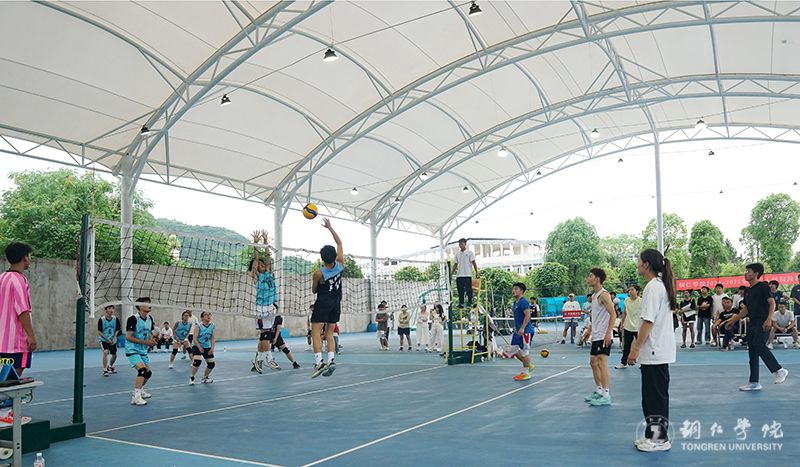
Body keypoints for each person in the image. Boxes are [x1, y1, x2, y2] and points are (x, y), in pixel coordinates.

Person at [627, 249, 678, 452]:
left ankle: (660, 439)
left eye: (639, 261)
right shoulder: (659, 286)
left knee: (655, 398)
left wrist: (635, 348)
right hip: (656, 352)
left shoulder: (652, 288)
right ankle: (652, 435)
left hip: (655, 351)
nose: (637, 264)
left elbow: (648, 322)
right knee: (650, 397)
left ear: (646, 264)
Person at [725, 263, 789, 391]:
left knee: (758, 344)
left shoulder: (763, 287)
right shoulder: (747, 291)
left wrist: (769, 319)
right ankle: (754, 382)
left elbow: (772, 303)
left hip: (763, 321)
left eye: (748, 271)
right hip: (752, 322)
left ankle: (779, 370)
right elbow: (746, 309)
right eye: (746, 271)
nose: (746, 273)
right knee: (752, 351)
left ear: (756, 274)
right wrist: (733, 320)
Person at [310, 218, 344, 378]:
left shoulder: (319, 273)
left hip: (323, 303)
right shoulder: (340, 264)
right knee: (330, 333)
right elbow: (339, 242)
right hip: (336, 303)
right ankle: (331, 360)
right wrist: (330, 228)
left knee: (316, 332)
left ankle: (319, 362)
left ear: (322, 258)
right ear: (334, 256)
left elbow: (313, 290)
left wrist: (318, 285)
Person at [0, 243, 36, 379]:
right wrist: (30, 336)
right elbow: (23, 311)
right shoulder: (19, 281)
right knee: (11, 381)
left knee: (4, 379)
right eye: (29, 256)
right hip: (16, 343)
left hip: (2, 343)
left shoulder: (2, 278)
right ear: (24, 258)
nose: (30, 259)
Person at [584, 268, 615, 406]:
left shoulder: (604, 295)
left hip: (603, 335)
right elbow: (595, 316)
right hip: (596, 335)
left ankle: (606, 395)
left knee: (602, 363)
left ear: (597, 279)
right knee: (593, 362)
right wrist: (590, 330)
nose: (588, 278)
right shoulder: (595, 296)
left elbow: (613, 314)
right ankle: (599, 390)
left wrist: (608, 333)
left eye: (590, 276)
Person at [250, 230, 278, 373]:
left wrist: (266, 242)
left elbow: (267, 258)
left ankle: (258, 361)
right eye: (259, 264)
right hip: (261, 307)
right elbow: (256, 261)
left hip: (271, 306)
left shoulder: (268, 273)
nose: (261, 264)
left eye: (262, 264)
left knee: (264, 336)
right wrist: (256, 244)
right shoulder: (256, 276)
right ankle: (269, 358)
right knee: (265, 334)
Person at [125, 297, 156, 406]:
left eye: (149, 303)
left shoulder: (149, 318)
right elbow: (128, 337)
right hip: (132, 349)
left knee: (148, 373)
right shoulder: (133, 319)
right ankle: (136, 397)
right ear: (139, 306)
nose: (149, 305)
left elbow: (150, 333)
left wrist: (152, 340)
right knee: (142, 370)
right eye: (146, 303)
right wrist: (145, 342)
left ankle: (139, 390)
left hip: (143, 350)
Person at [509, 282, 535, 381]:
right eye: (513, 289)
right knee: (513, 350)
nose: (513, 291)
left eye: (516, 289)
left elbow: (527, 315)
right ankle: (529, 365)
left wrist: (522, 328)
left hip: (526, 331)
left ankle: (526, 373)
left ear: (522, 291)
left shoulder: (523, 302)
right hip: (518, 331)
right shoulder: (515, 303)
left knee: (524, 351)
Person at [616, 285, 641, 369]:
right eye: (629, 290)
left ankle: (643, 363)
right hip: (628, 326)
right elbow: (625, 313)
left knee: (642, 346)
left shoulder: (641, 301)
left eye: (632, 290)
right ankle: (623, 363)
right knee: (626, 346)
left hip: (638, 327)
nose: (630, 291)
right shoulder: (626, 300)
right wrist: (622, 323)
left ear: (637, 291)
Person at [189, 311, 216, 385]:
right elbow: (194, 338)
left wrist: (212, 348)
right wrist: (199, 347)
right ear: (202, 318)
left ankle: (205, 378)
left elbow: (213, 338)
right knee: (197, 361)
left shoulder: (212, 325)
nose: (208, 316)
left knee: (211, 364)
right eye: (206, 315)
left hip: (207, 346)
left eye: (209, 314)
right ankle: (192, 377)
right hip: (197, 345)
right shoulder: (198, 326)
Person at [452, 238, 479, 309]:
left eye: (462, 244)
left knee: (468, 290)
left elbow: (474, 263)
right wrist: (451, 273)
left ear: (465, 244)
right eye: (459, 244)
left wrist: (477, 272)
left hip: (467, 275)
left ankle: (469, 302)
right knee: (460, 290)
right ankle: (461, 303)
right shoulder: (457, 254)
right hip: (459, 275)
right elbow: (455, 264)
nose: (460, 245)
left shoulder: (470, 253)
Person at [97, 305, 121, 377]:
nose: (111, 310)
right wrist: (107, 339)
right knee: (105, 352)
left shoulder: (115, 319)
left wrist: (114, 338)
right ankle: (105, 369)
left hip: (113, 340)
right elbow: (99, 332)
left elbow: (117, 330)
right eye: (109, 308)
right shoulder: (102, 319)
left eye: (112, 308)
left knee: (114, 355)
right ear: (106, 310)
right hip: (104, 340)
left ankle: (110, 366)